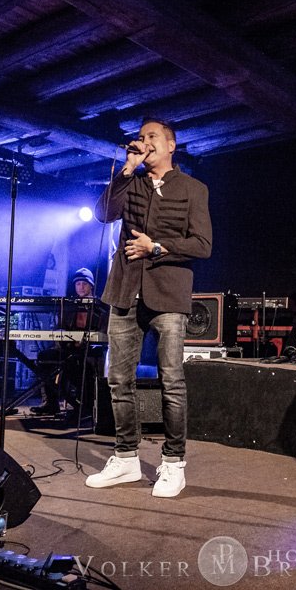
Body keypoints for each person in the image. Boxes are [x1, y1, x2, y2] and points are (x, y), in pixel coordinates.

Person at [86, 118, 212, 498]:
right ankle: (126, 457)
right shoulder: (132, 182)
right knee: (118, 379)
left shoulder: (193, 189)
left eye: (152, 136)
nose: (144, 142)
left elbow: (202, 245)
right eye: (141, 137)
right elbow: (103, 214)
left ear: (171, 145)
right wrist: (126, 169)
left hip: (168, 295)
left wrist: (155, 247)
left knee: (170, 380)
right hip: (125, 291)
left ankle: (173, 463)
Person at [30, 267, 106, 417]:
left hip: (90, 352)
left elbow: (103, 333)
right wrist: (62, 337)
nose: (81, 287)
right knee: (45, 357)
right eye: (78, 284)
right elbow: (60, 328)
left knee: (80, 365)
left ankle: (83, 405)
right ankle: (50, 403)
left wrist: (84, 342)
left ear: (91, 285)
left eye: (84, 284)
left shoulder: (100, 307)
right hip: (68, 349)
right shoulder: (69, 306)